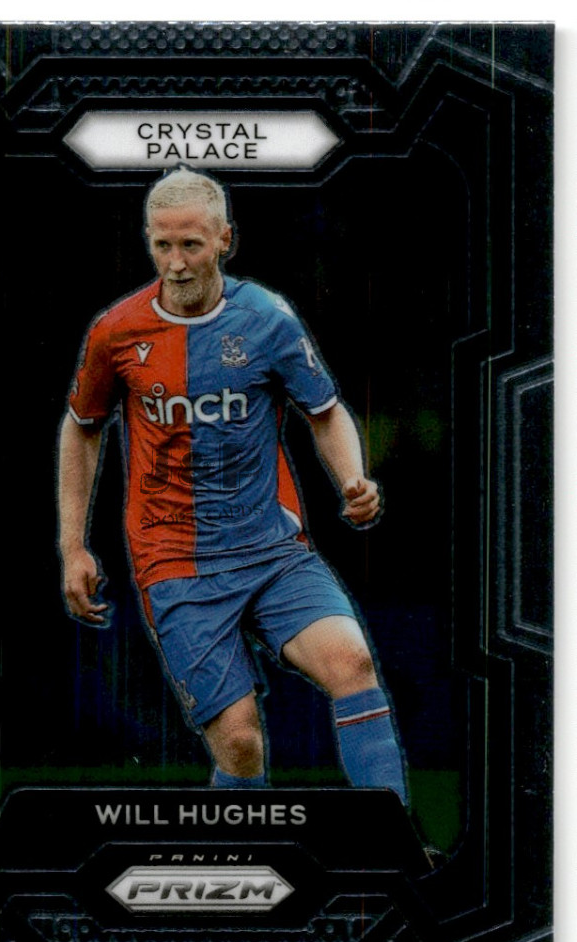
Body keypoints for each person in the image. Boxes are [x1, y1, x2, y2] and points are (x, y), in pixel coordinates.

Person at [58, 166, 408, 802]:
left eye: (190, 245)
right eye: (162, 245)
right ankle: (243, 852)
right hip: (175, 561)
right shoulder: (117, 330)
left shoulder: (267, 319)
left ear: (225, 240)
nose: (176, 263)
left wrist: (352, 478)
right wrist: (73, 546)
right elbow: (81, 428)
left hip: (270, 549)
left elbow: (325, 411)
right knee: (241, 740)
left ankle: (392, 843)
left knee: (352, 662)